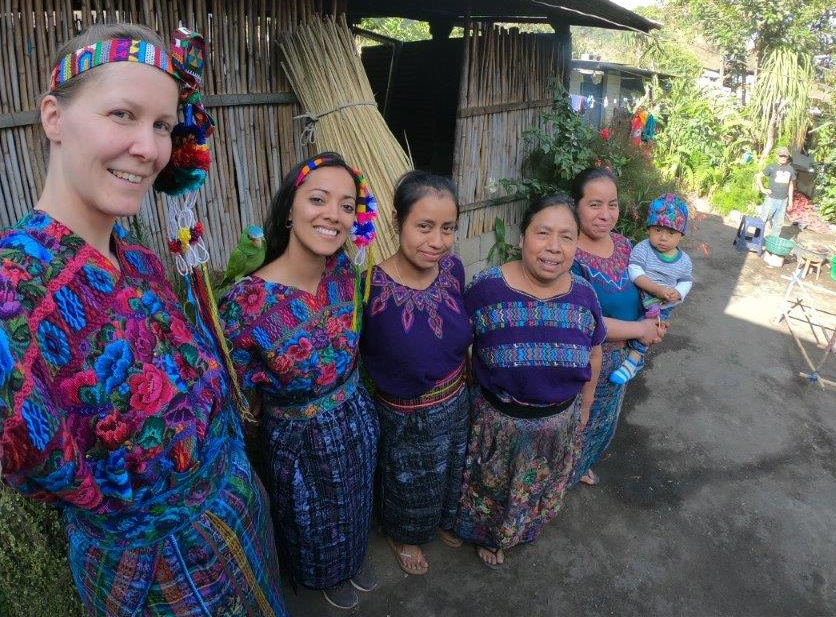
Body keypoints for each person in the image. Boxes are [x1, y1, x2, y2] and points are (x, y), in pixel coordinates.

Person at [0, 23, 286, 616]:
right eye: (122, 114)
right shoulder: (11, 293)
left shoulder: (140, 260)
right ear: (53, 116)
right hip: (167, 587)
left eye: (161, 126)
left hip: (242, 535)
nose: (150, 149)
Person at [220, 152, 380, 611]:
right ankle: (322, 579)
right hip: (297, 442)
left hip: (356, 417)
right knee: (310, 521)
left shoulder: (347, 275)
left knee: (354, 502)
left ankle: (350, 561)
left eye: (347, 206)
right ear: (290, 209)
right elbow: (236, 398)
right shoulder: (245, 303)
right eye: (318, 199)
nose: (334, 214)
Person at [454, 194, 606, 568]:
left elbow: (595, 351)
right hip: (498, 423)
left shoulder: (584, 295)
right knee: (490, 489)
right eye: (543, 233)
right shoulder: (485, 289)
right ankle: (491, 536)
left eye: (566, 237)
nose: (554, 247)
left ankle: (522, 530)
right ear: (522, 238)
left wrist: (585, 407)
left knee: (537, 490)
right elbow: (460, 348)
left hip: (558, 424)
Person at [360, 171, 472, 576]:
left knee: (450, 470)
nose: (437, 241)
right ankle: (403, 534)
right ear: (397, 221)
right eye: (424, 226)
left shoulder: (453, 270)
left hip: (457, 402)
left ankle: (441, 520)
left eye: (447, 228)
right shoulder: (368, 288)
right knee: (408, 482)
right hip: (403, 416)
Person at [569, 168, 667, 488]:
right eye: (595, 204)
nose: (605, 214)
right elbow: (586, 322)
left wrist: (654, 320)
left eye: (612, 205)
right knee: (576, 422)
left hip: (625, 358)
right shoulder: (568, 255)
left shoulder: (628, 247)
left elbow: (646, 292)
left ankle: (582, 463)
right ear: (576, 205)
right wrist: (640, 330)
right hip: (586, 362)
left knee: (602, 423)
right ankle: (561, 478)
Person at [612, 193, 694, 385]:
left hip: (661, 307)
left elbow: (686, 281)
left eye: (670, 233)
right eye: (657, 230)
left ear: (681, 235)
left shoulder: (684, 262)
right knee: (630, 324)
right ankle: (625, 350)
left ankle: (632, 362)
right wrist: (655, 289)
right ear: (648, 229)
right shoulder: (643, 249)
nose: (663, 237)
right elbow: (634, 270)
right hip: (639, 296)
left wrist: (678, 292)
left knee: (651, 331)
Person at [757, 147, 797, 238]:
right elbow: (758, 177)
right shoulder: (771, 167)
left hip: (783, 201)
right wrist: (763, 189)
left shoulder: (791, 170)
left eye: (785, 156)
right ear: (777, 156)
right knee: (763, 220)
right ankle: (756, 239)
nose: (783, 158)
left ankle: (772, 244)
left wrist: (790, 201)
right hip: (771, 199)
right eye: (781, 156)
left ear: (787, 157)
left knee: (778, 224)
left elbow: (791, 186)